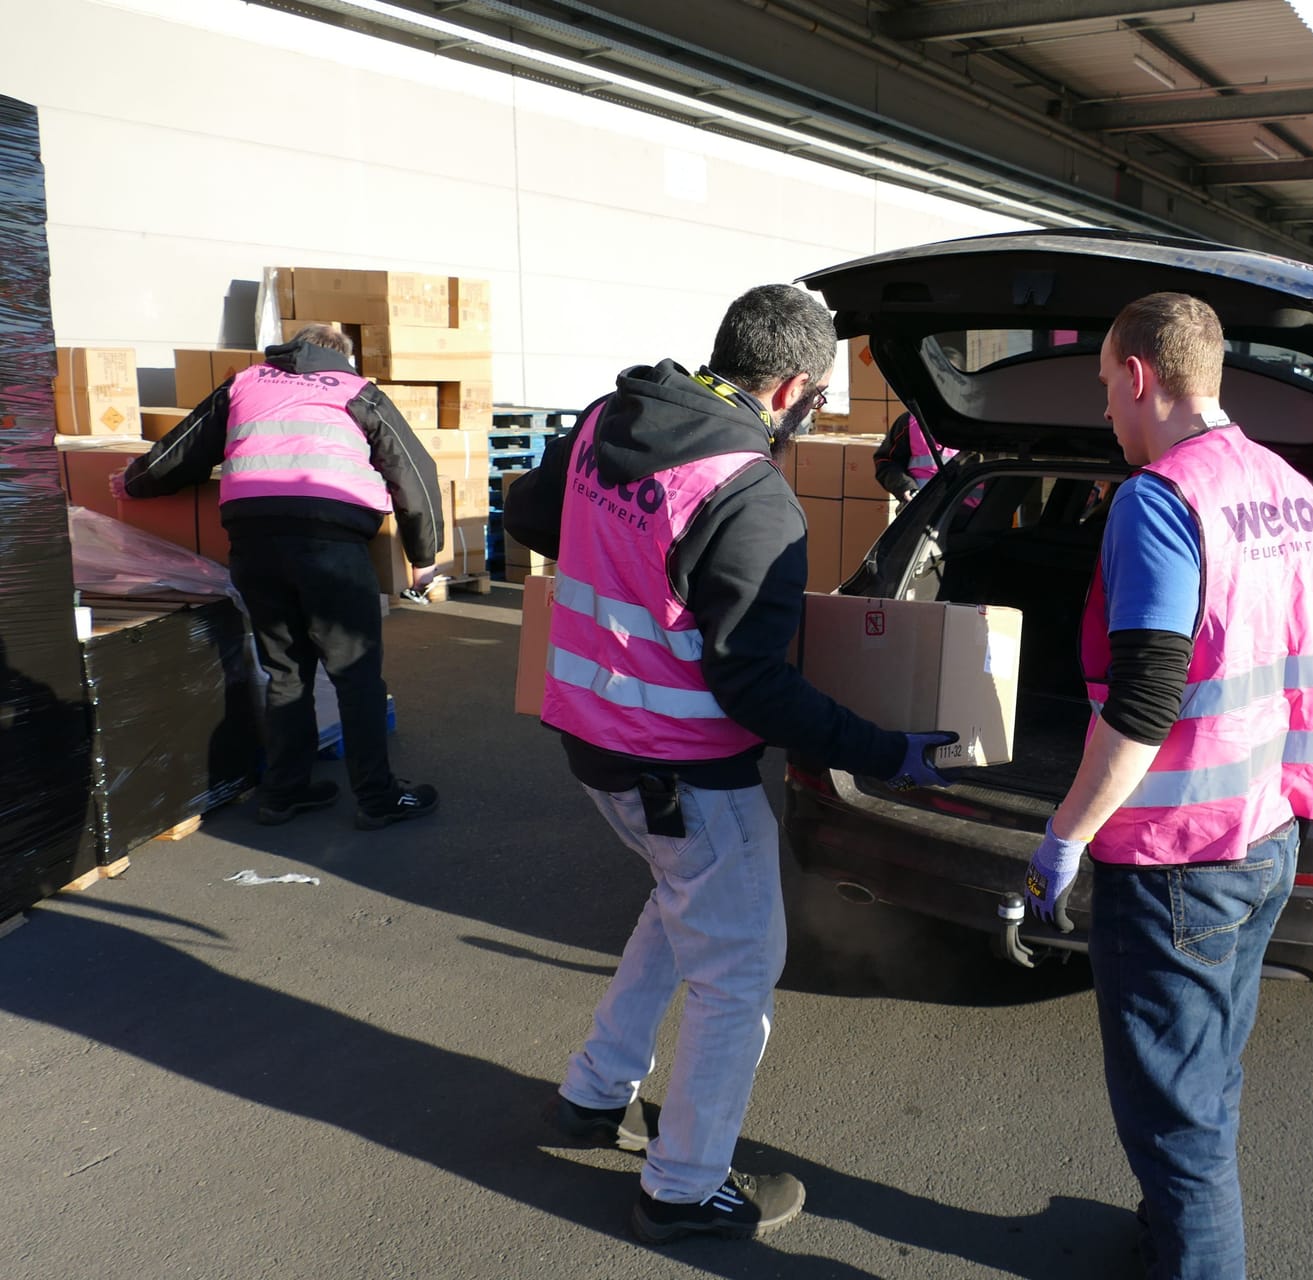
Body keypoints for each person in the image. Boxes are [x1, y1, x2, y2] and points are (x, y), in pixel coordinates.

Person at [503, 284, 956, 1245]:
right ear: (792, 384)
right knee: (739, 967)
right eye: (819, 401)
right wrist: (884, 752)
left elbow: (532, 514)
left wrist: (628, 551)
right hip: (681, 770)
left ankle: (593, 1094)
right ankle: (682, 1189)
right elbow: (753, 686)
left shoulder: (608, 418)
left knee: (679, 909)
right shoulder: (749, 497)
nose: (812, 416)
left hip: (595, 745)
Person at [1020, 293, 1313, 1280]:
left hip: (1177, 863)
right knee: (1207, 1072)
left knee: (1176, 1118)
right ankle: (1171, 1236)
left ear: (1136, 375)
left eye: (1103, 392)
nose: (1106, 419)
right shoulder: (1294, 490)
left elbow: (1147, 694)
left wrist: (1065, 834)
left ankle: (1194, 1249)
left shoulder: (1160, 500)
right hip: (1269, 834)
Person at [114, 323, 442, 829]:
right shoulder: (358, 392)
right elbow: (412, 471)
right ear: (342, 357)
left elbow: (184, 449)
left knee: (286, 673)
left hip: (255, 544)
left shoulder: (246, 383)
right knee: (355, 676)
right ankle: (377, 798)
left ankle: (285, 794)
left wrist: (133, 482)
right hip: (332, 542)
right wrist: (424, 555)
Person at [871, 409, 952, 501]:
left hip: (966, 508)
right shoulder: (910, 421)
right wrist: (905, 487)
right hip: (920, 506)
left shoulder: (970, 425)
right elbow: (886, 461)